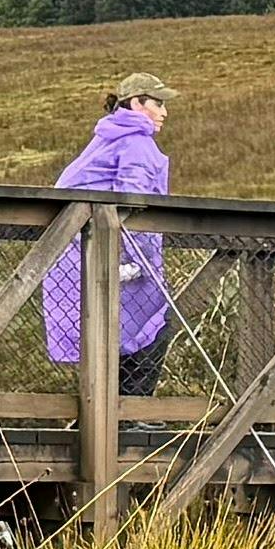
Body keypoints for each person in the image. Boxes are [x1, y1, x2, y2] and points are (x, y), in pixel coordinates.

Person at [43, 75, 174, 394]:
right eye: (158, 103)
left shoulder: (106, 139)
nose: (164, 112)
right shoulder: (136, 142)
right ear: (137, 103)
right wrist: (139, 261)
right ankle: (129, 415)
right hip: (116, 258)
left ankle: (103, 412)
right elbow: (134, 200)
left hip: (80, 257)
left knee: (110, 336)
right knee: (153, 327)